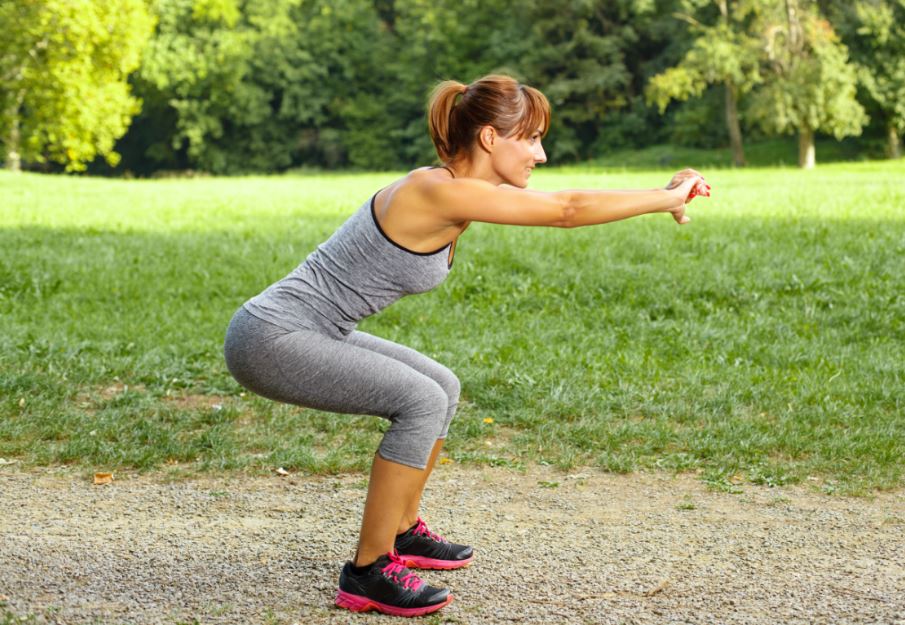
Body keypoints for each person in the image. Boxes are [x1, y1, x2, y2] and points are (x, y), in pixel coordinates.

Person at [223, 73, 709, 618]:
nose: (541, 154)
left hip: (311, 330)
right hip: (270, 337)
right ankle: (367, 571)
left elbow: (567, 200)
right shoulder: (435, 191)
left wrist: (664, 193)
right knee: (420, 400)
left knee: (443, 386)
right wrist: (667, 198)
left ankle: (403, 530)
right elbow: (567, 210)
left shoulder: (464, 191)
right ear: (489, 138)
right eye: (531, 139)